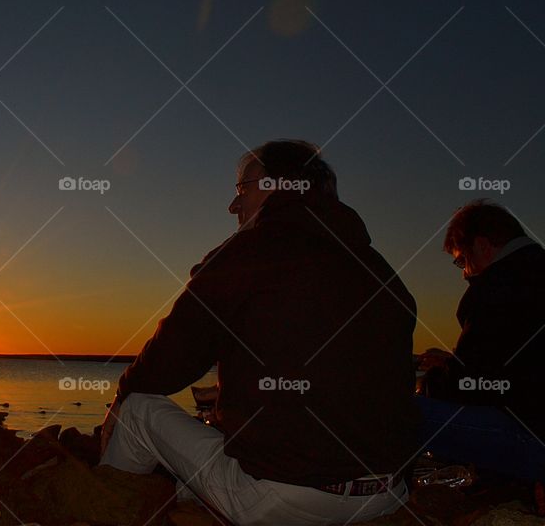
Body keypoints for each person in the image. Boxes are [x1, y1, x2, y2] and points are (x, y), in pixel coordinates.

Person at [99, 140, 419, 525]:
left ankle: (103, 508)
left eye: (242, 189)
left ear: (274, 185)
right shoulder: (382, 272)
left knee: (138, 408)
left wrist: (120, 397)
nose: (234, 205)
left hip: (287, 497)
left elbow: (167, 362)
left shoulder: (247, 253)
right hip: (388, 493)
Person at [415, 200, 545, 482]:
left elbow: (466, 388)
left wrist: (433, 378)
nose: (464, 273)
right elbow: (512, 365)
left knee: (399, 410)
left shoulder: (496, 286)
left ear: (482, 246)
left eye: (462, 260)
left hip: (531, 440)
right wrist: (454, 362)